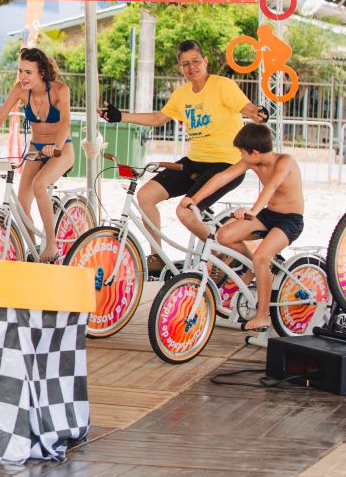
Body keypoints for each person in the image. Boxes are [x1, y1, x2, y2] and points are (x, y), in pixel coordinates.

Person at [100, 39, 267, 274]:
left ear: (205, 61)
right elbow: (158, 119)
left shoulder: (222, 85)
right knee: (145, 196)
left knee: (185, 212)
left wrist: (257, 112)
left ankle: (223, 251)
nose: (192, 67)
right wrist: (120, 117)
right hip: (195, 161)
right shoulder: (182, 94)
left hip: (226, 164)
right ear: (180, 68)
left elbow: (247, 108)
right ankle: (157, 257)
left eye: (196, 61)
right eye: (186, 64)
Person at [181, 124, 304, 332]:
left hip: (290, 220)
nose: (240, 155)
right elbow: (222, 177)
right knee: (224, 235)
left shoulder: (285, 161)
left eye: (242, 151)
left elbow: (271, 186)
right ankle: (253, 267)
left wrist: (253, 211)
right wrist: (194, 199)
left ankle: (263, 315)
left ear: (254, 152)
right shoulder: (251, 161)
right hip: (268, 215)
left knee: (262, 257)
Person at [0, 47, 74, 263]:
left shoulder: (60, 90)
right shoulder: (20, 90)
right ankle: (34, 250)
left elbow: (66, 123)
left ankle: (51, 243)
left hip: (61, 149)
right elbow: (0, 118)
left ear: (41, 73)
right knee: (21, 203)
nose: (22, 77)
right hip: (36, 149)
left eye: (28, 72)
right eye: (20, 71)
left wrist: (55, 147)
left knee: (39, 184)